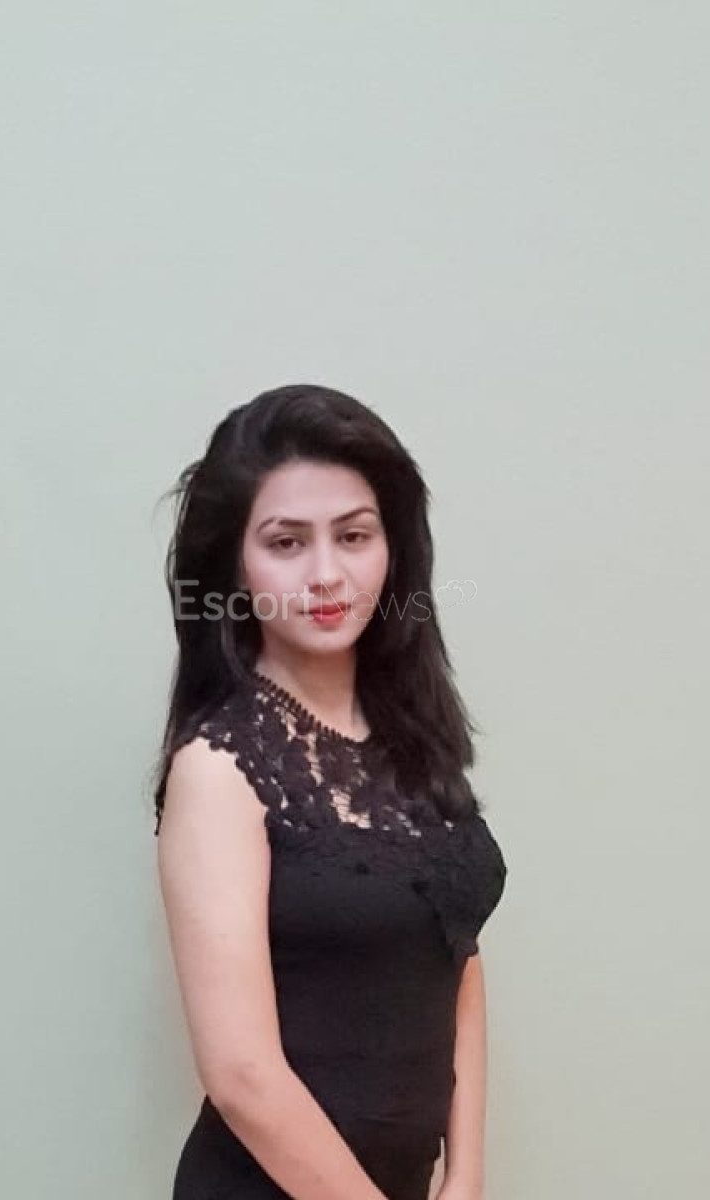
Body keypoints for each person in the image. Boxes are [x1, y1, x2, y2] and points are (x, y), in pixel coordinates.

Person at [151, 384, 507, 1200]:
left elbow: (455, 949)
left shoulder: (410, 736)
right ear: (234, 565)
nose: (326, 574)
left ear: (393, 546)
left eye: (353, 536)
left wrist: (467, 1174)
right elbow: (241, 1074)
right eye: (286, 542)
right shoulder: (218, 765)